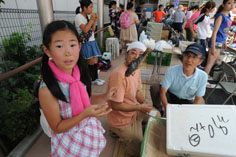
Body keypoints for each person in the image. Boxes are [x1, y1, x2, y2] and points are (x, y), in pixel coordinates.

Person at [38, 20, 112, 156]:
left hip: (86, 135)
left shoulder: (78, 73)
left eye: (72, 45)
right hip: (68, 144)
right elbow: (57, 127)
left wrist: (105, 96)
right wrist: (85, 114)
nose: (68, 53)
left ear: (79, 46)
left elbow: (86, 99)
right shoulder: (46, 90)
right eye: (59, 46)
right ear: (47, 51)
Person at [107, 41, 161, 156]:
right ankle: (118, 131)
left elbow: (136, 91)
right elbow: (116, 106)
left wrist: (145, 104)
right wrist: (140, 107)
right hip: (121, 121)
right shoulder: (119, 75)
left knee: (156, 115)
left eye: (141, 54)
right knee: (139, 146)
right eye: (133, 53)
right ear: (126, 54)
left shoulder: (136, 70)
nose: (136, 57)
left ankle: (137, 128)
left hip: (133, 112)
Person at [150, 43, 208, 115]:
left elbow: (198, 99)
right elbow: (163, 91)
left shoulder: (203, 76)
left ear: (200, 61)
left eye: (194, 57)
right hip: (171, 96)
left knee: (201, 104)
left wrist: (189, 114)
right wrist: (167, 110)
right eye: (187, 55)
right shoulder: (172, 70)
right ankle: (159, 110)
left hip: (188, 101)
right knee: (155, 88)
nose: (189, 60)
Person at [75, 0, 105, 86]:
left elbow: (93, 30)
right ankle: (92, 79)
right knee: (91, 61)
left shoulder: (87, 17)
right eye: (91, 7)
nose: (92, 9)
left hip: (92, 41)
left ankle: (95, 78)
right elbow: (85, 30)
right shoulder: (78, 17)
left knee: (95, 60)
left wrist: (95, 20)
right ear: (84, 8)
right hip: (86, 42)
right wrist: (91, 19)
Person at [204, 0, 234, 75]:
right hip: (216, 42)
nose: (232, 5)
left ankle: (206, 79)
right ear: (223, 5)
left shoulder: (228, 16)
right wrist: (213, 47)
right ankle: (202, 81)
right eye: (229, 3)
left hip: (221, 42)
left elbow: (224, 32)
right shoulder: (221, 16)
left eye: (234, 3)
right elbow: (215, 32)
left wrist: (224, 42)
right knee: (210, 64)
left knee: (214, 63)